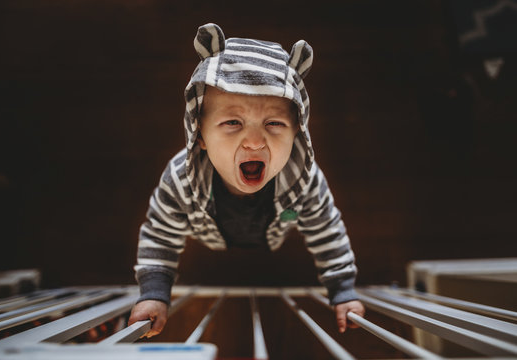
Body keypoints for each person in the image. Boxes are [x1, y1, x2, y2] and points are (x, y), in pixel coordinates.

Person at [128, 23, 365, 338]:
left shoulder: (304, 180)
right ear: (199, 135)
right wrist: (154, 294)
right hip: (208, 233)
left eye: (274, 123)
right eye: (232, 122)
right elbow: (160, 235)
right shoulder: (179, 179)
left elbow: (327, 231)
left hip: (275, 232)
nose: (255, 141)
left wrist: (343, 291)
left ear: (298, 133)